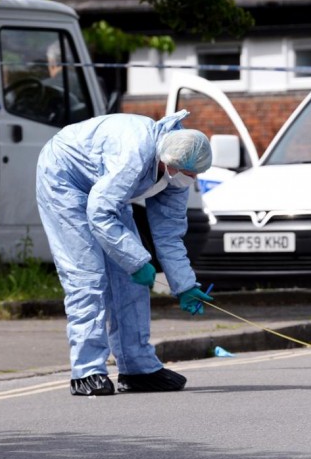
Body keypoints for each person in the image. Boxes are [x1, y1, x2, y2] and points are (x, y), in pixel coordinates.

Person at [36, 109, 215, 396]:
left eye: (197, 174)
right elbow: (99, 213)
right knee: (87, 276)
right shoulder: (135, 155)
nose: (192, 180)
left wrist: (185, 285)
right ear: (168, 165)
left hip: (105, 190)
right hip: (65, 179)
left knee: (130, 280)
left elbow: (169, 235)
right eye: (190, 174)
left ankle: (138, 368)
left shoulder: (178, 169)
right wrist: (136, 260)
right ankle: (87, 371)